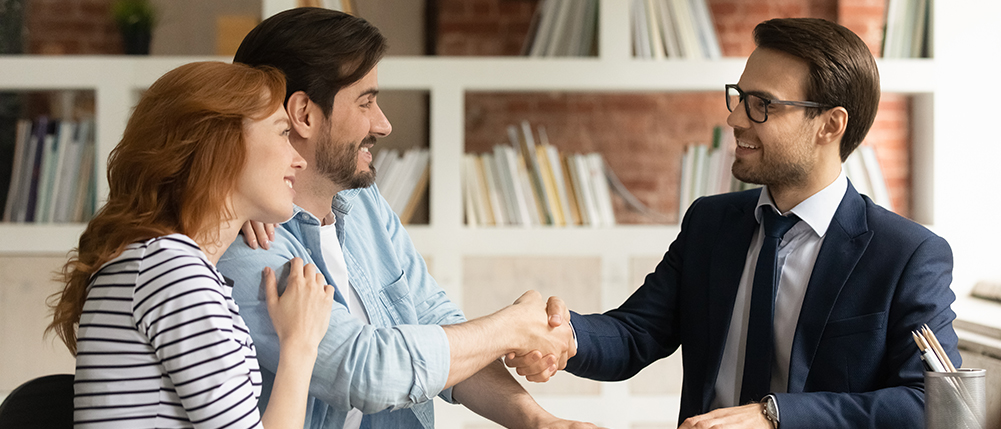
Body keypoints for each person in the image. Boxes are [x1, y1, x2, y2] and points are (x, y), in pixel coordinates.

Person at [509, 18, 961, 429]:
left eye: (761, 104)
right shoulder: (710, 223)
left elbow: (927, 401)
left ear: (830, 124)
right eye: (739, 97)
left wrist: (776, 416)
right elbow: (635, 333)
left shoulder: (907, 255)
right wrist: (566, 336)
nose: (735, 118)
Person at [216, 8, 587, 429]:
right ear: (304, 114)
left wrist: (539, 422)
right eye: (366, 101)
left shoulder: (364, 202)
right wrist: (510, 329)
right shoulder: (245, 236)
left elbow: (434, 324)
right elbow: (364, 370)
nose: (384, 124)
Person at [48, 61, 336, 428]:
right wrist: (300, 342)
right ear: (221, 144)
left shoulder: (164, 263)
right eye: (282, 132)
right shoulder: (170, 270)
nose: (298, 159)